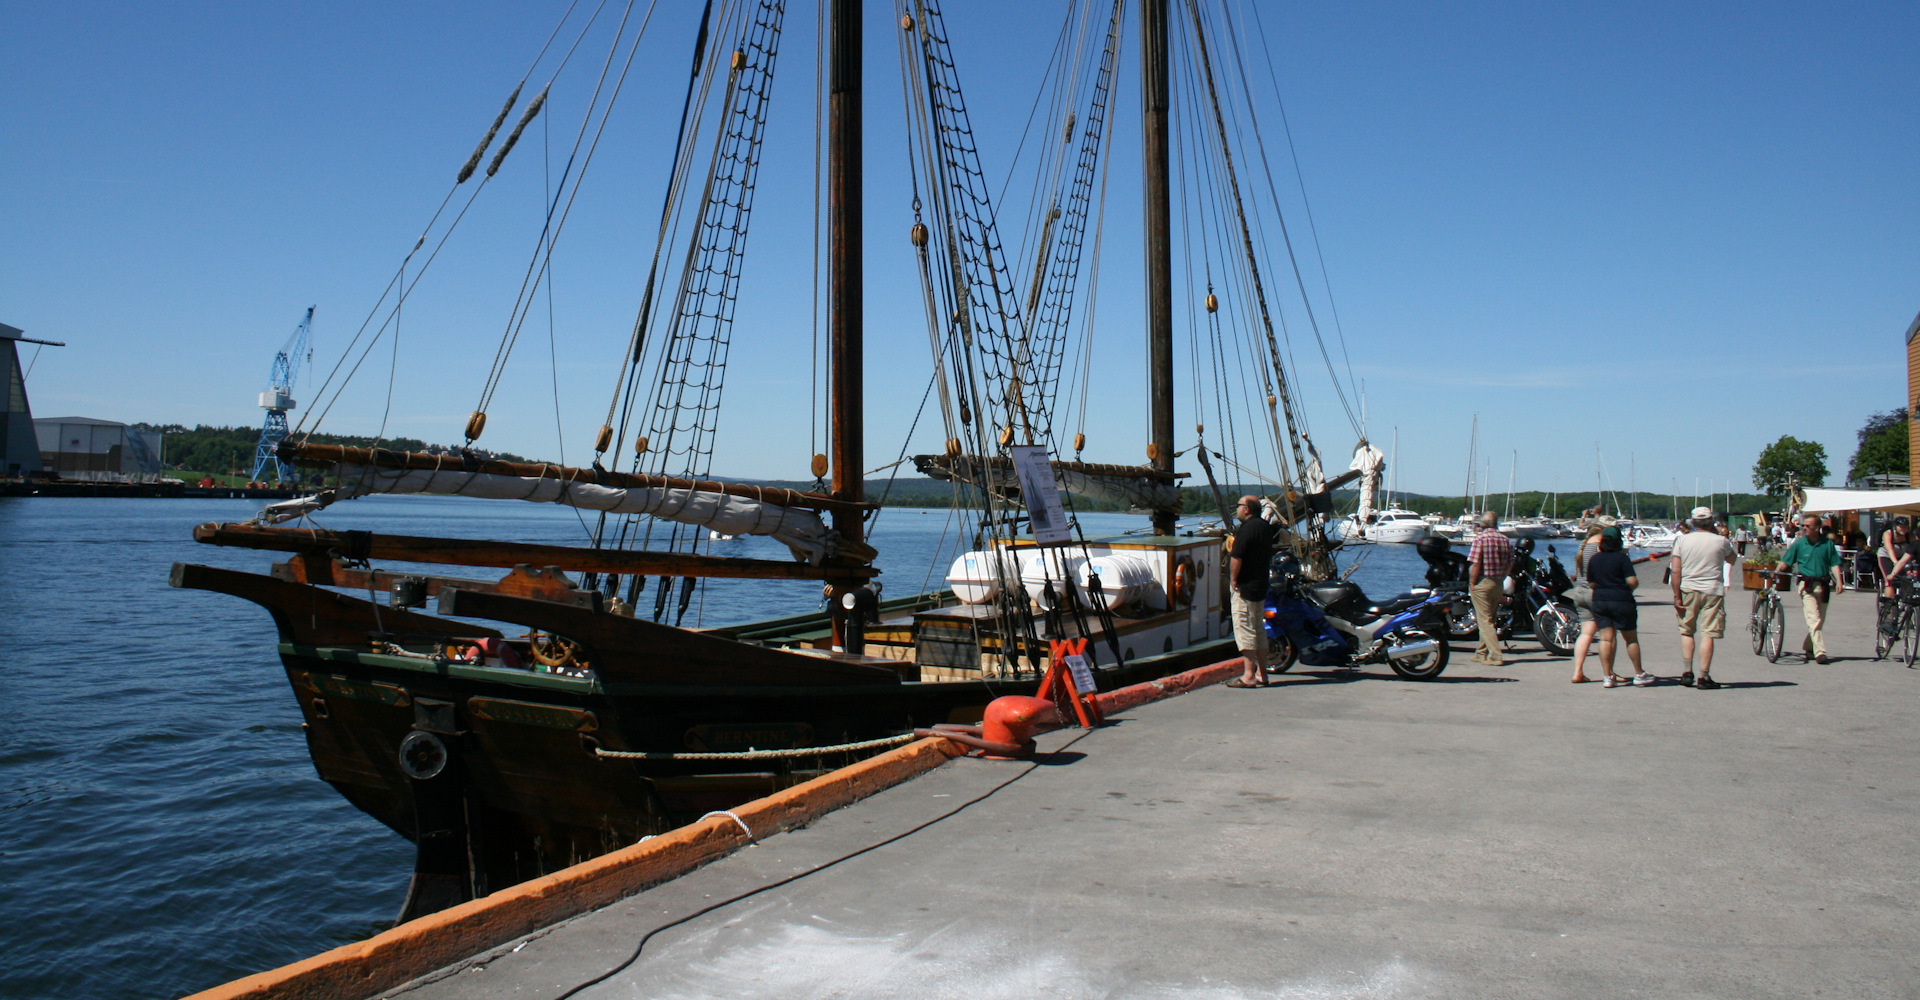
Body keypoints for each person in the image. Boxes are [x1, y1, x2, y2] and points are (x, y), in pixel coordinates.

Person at [1669, 506, 1738, 688]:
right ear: (1711, 521)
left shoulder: (1682, 541)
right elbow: (1732, 559)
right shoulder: (1720, 541)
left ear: (1692, 522)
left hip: (1688, 589)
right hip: (1712, 590)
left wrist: (1676, 596)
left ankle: (1686, 672)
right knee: (1708, 633)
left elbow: (1675, 571)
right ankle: (1704, 675)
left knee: (1687, 630)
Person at [1587, 527, 1652, 687]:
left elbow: (1592, 583)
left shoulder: (1594, 559)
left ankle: (1607, 676)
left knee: (1606, 639)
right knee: (1630, 639)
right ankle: (1639, 673)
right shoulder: (1622, 558)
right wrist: (1626, 589)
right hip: (1621, 599)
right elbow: (1632, 581)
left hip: (1600, 600)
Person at [1778, 513, 1846, 663]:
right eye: (1803, 525)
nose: (1804, 528)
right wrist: (1775, 573)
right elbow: (1786, 561)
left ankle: (1809, 647)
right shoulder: (1799, 544)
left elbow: (1834, 563)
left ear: (1818, 528)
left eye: (1808, 526)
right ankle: (1820, 652)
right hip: (1806, 585)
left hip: (1823, 585)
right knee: (1813, 619)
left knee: (1819, 621)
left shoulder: (1827, 544)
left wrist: (1839, 581)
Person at [1226, 495, 1276, 687]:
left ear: (1246, 509)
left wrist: (1233, 579)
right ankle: (1262, 674)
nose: (1236, 509)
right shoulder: (1264, 527)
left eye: (1238, 506)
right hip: (1260, 585)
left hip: (1245, 587)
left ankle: (1248, 675)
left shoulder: (1247, 529)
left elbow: (1237, 556)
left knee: (1245, 629)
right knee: (1258, 630)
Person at [1467, 511, 1513, 665]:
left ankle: (1495, 655)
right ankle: (1481, 653)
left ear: (1482, 524)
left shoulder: (1480, 539)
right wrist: (1502, 576)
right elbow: (1510, 563)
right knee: (1490, 619)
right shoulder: (1505, 540)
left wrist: (1472, 583)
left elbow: (1475, 564)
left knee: (1484, 620)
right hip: (1498, 582)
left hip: (1483, 582)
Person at [1568, 523, 1604, 683]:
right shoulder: (1600, 546)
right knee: (1607, 636)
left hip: (1580, 592)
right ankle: (1609, 673)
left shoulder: (1583, 547)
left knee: (1586, 633)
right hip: (1595, 592)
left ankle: (1578, 672)